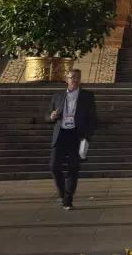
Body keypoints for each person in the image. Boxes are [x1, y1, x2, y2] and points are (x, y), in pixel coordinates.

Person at [48, 68, 96, 210]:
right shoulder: (58, 96)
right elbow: (47, 114)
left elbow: (93, 118)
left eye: (77, 77)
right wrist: (51, 116)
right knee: (54, 166)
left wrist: (87, 136)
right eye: (72, 77)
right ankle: (62, 193)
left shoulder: (87, 96)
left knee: (73, 168)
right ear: (66, 79)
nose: (74, 80)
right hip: (61, 134)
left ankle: (68, 199)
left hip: (76, 135)